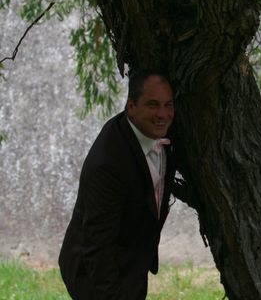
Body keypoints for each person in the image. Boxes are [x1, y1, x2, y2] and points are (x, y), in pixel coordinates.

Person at [59, 70, 176, 299]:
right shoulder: (108, 164)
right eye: (152, 105)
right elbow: (98, 248)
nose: (162, 113)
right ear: (131, 107)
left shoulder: (157, 132)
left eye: (168, 104)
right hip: (94, 273)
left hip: (130, 261)